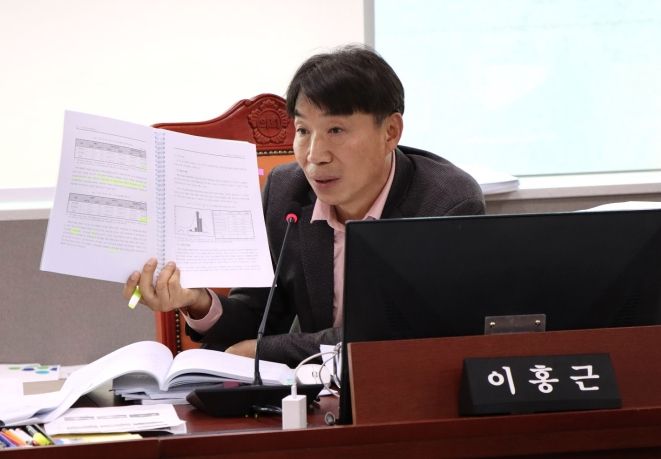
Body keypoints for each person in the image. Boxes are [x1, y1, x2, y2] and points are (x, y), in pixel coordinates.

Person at [123, 45, 485, 367]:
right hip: (310, 403)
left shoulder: (445, 203)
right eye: (303, 131)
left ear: (390, 132)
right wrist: (195, 301)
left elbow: (400, 336)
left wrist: (268, 352)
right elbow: (258, 317)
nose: (314, 155)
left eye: (336, 131)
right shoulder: (286, 191)